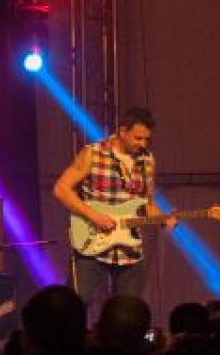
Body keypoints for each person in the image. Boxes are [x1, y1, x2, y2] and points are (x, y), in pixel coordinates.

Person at [52, 106, 175, 306]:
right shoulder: (93, 153)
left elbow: (148, 203)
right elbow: (61, 189)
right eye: (138, 138)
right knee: (77, 303)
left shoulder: (147, 160)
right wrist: (93, 215)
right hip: (92, 242)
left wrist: (164, 219)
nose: (143, 144)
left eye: (146, 139)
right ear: (122, 131)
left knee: (129, 308)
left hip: (130, 249)